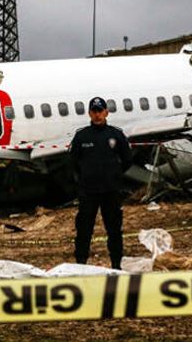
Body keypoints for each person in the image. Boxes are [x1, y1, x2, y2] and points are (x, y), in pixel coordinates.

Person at [69, 97, 133, 270]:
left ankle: (116, 265)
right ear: (89, 113)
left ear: (106, 112)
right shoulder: (82, 136)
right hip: (89, 191)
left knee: (114, 230)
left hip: (111, 190)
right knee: (84, 230)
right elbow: (73, 162)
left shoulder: (115, 134)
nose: (97, 115)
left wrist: (115, 175)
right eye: (94, 111)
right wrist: (83, 180)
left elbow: (127, 159)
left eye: (100, 111)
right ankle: (81, 263)